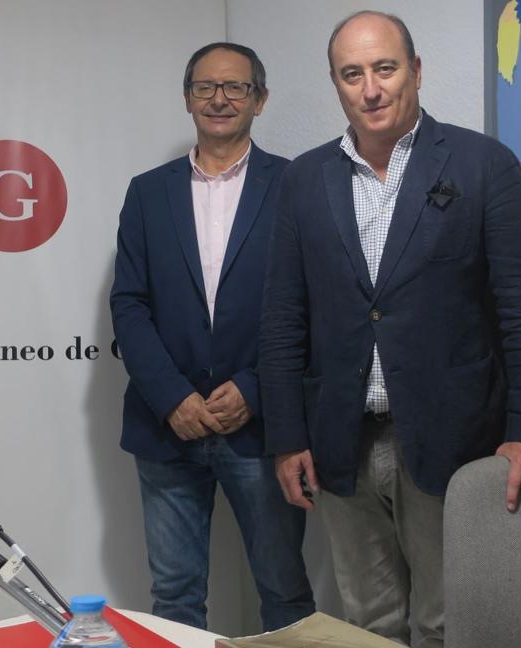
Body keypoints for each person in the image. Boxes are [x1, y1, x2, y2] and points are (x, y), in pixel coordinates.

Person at [259, 11, 521, 646]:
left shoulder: (484, 164)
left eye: (385, 68)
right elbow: (283, 316)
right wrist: (287, 435)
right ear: (336, 85)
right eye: (352, 74)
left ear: (416, 72)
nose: (370, 88)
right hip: (339, 440)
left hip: (451, 438)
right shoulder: (304, 180)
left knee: (446, 623)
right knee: (368, 625)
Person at [110, 42, 315, 631]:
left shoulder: (297, 183)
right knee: (174, 598)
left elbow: (313, 304)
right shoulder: (147, 192)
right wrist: (172, 396)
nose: (220, 99)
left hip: (263, 425)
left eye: (236, 87)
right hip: (166, 426)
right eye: (205, 87)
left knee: (283, 592)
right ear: (187, 98)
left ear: (261, 99)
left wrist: (254, 387)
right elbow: (129, 303)